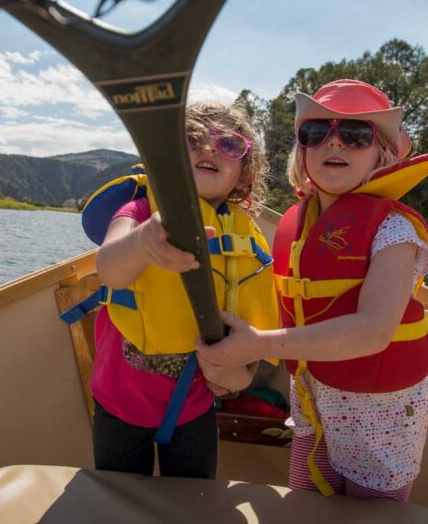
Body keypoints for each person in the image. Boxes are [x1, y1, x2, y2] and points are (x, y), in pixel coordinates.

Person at [196, 79, 428, 502]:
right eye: (316, 133)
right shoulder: (297, 225)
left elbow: (373, 331)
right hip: (313, 401)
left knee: (369, 515)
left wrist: (256, 347)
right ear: (303, 152)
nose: (335, 144)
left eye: (355, 135)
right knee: (306, 500)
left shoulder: (394, 230)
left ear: (381, 154)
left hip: (379, 417)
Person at [62, 101, 278, 479]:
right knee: (124, 501)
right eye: (193, 140)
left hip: (193, 409)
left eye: (229, 144)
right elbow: (109, 269)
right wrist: (144, 242)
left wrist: (239, 378)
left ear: (244, 176)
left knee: (193, 501)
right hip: (119, 406)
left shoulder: (245, 236)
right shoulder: (140, 210)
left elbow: (251, 324)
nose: (209, 149)